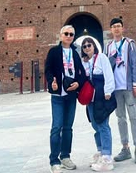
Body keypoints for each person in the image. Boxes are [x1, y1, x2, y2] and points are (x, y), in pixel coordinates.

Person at [45, 25, 86, 173]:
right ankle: (54, 160)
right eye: (66, 34)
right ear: (61, 35)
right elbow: (48, 69)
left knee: (68, 127)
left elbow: (82, 73)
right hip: (58, 95)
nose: (69, 36)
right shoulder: (54, 52)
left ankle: (65, 156)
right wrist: (52, 81)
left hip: (71, 96)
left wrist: (78, 83)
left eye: (71, 34)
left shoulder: (75, 53)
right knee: (57, 127)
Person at [105, 18, 136, 164]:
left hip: (128, 86)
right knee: (120, 118)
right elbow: (106, 67)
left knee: (134, 117)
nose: (116, 29)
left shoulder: (129, 43)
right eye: (114, 26)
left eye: (118, 26)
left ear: (122, 28)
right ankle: (125, 148)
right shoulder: (108, 46)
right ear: (111, 29)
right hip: (116, 89)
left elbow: (134, 63)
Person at [81, 37, 116, 172]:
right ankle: (101, 151)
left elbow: (108, 74)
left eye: (89, 45)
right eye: (84, 46)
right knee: (95, 125)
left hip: (101, 96)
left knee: (103, 124)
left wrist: (108, 91)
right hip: (91, 99)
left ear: (94, 46)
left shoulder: (101, 58)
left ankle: (107, 157)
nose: (87, 48)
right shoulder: (84, 62)